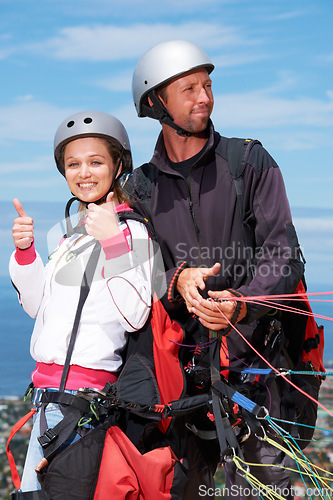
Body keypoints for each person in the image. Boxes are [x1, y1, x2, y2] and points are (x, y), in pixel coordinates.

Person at [128, 40, 304, 499]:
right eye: (189, 88)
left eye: (207, 86)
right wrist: (176, 280)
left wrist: (242, 305)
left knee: (263, 489)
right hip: (183, 382)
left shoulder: (248, 162)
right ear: (155, 103)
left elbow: (284, 253)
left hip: (255, 373)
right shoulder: (139, 188)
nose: (204, 97)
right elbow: (132, 276)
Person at [9, 110, 154, 493]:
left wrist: (113, 242)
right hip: (50, 401)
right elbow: (40, 308)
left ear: (118, 165)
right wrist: (25, 253)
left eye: (95, 162)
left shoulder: (131, 231)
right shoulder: (73, 238)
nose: (83, 172)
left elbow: (136, 312)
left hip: (83, 405)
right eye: (73, 164)